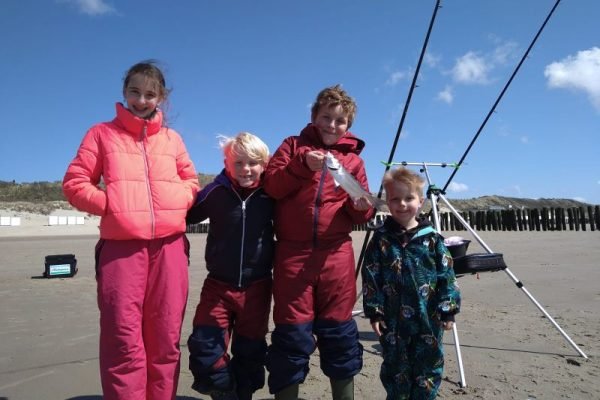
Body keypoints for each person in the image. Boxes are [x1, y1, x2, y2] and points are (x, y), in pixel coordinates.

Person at [62, 60, 200, 400]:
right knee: (123, 340)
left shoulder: (172, 139)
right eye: (135, 92)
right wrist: (112, 205)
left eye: (149, 94)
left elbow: (191, 181)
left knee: (165, 339)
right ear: (124, 93)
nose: (141, 100)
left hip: (169, 248)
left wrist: (179, 199)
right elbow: (75, 183)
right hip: (121, 251)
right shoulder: (101, 134)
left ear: (160, 98)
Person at [263, 85, 375, 400]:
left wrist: (362, 205)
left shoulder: (354, 162)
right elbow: (271, 186)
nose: (331, 125)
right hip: (291, 256)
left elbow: (360, 216)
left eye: (340, 121)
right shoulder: (292, 146)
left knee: (339, 335)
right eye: (326, 117)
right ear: (314, 116)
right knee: (291, 336)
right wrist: (301, 166)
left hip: (336, 257)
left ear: (348, 126)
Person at [186, 132, 275, 400]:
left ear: (264, 164)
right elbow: (183, 213)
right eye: (238, 163)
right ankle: (224, 392)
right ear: (227, 163)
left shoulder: (271, 194)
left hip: (257, 288)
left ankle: (243, 393)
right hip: (218, 286)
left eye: (252, 162)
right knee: (205, 346)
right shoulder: (216, 191)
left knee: (250, 353)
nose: (246, 169)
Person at [361, 167, 461, 400]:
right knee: (395, 369)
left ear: (421, 200)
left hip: (428, 319)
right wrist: (375, 312)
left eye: (409, 198)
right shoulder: (381, 239)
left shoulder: (433, 239)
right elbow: (371, 276)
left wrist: (448, 310)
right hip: (393, 322)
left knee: (428, 368)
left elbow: (447, 275)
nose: (402, 204)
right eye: (395, 199)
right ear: (387, 201)